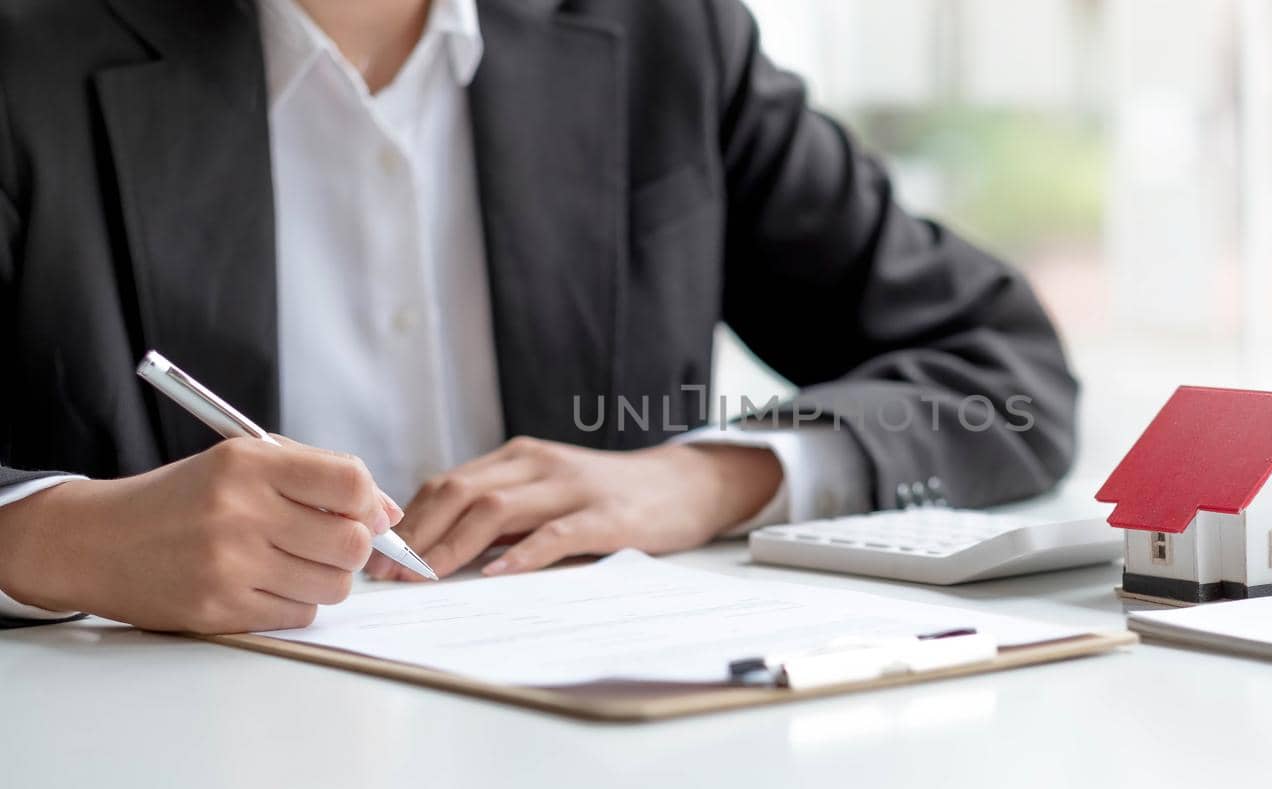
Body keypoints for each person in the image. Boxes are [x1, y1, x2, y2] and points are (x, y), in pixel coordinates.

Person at [0, 0, 1078, 633]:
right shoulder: (26, 51)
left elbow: (1004, 368)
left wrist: (706, 476)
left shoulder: (661, 33)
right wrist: (56, 541)